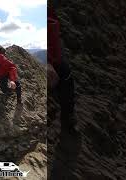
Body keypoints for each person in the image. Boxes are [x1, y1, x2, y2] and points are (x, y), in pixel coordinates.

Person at [48, 2, 77, 132]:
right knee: (65, 80)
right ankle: (66, 117)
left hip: (55, 57)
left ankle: (67, 116)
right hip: (51, 61)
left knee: (66, 79)